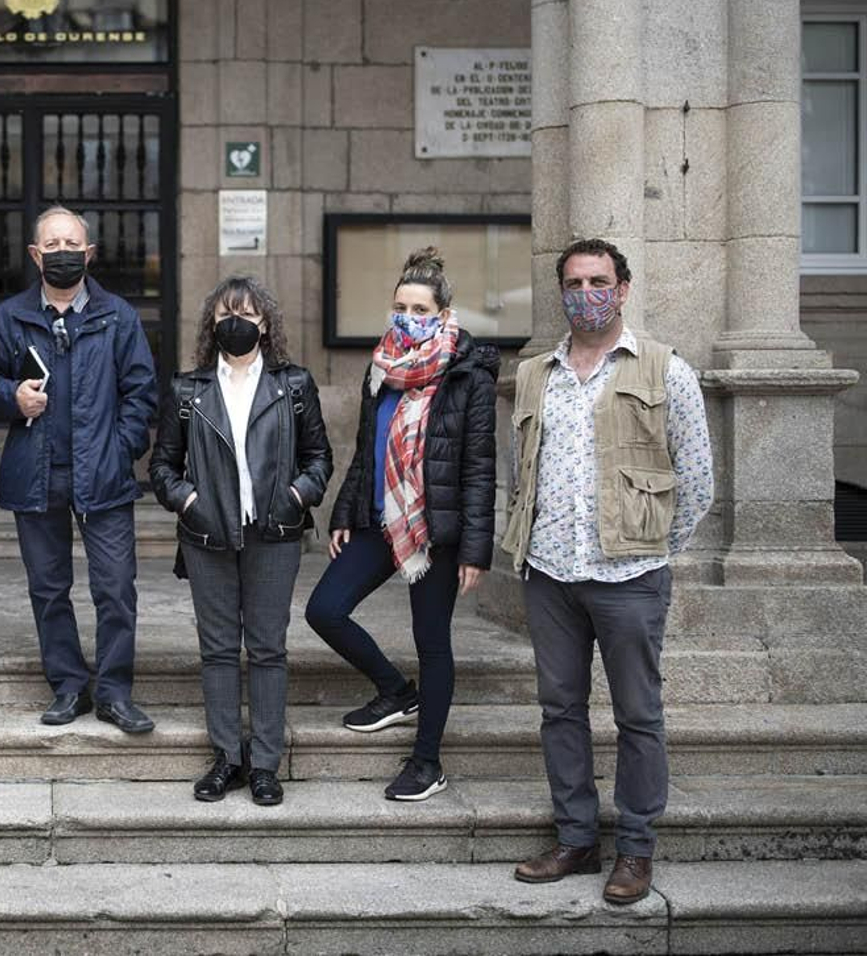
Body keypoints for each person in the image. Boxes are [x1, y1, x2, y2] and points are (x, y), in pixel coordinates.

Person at [505, 239, 712, 905]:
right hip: (550, 573)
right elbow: (523, 470)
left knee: (638, 715)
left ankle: (635, 848)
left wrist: (651, 548)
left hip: (631, 576)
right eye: (573, 282)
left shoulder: (665, 369)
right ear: (560, 291)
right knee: (560, 709)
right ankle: (576, 836)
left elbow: (698, 479)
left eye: (599, 280)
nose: (585, 292)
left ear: (622, 289)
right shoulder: (536, 373)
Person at [303, 247, 498, 803]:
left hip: (434, 530)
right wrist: (344, 512)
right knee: (325, 610)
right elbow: (367, 450)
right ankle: (395, 690)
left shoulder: (467, 375)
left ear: (442, 314)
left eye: (419, 308)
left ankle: (427, 761)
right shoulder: (381, 367)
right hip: (378, 518)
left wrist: (475, 549)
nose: (407, 317)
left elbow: (480, 466)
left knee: (431, 640)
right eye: (399, 306)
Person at [149, 275, 332, 806]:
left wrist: (296, 497)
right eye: (228, 313)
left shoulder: (293, 386)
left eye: (249, 315)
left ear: (266, 324)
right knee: (219, 650)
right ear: (212, 323)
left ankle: (266, 765)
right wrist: (188, 501)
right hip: (207, 535)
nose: (238, 323)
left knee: (269, 649)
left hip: (274, 533)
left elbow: (319, 457)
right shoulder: (189, 390)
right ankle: (228, 757)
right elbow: (162, 465)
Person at [0, 206, 159, 731]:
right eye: (52, 244)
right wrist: (11, 396)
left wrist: (120, 448)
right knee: (48, 587)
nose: (63, 252)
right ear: (36, 255)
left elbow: (142, 393)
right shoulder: (9, 317)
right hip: (36, 474)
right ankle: (67, 686)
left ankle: (113, 691)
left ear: (89, 254)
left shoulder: (118, 316)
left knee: (116, 587)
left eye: (72, 244)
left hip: (103, 476)